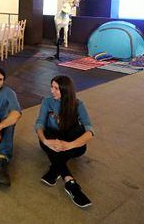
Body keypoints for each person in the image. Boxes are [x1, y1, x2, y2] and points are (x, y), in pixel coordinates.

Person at [35, 75, 94, 208]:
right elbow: (39, 124)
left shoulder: (78, 104)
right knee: (48, 132)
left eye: (56, 88)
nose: (52, 91)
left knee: (79, 129)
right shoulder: (47, 102)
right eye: (52, 87)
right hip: (51, 142)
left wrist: (69, 145)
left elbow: (89, 131)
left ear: (65, 90)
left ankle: (54, 169)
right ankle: (70, 182)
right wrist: (44, 140)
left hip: (73, 146)